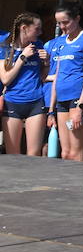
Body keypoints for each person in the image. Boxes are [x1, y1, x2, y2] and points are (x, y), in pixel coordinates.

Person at [49, 4, 83, 161]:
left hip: (78, 98)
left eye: (65, 22)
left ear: (77, 19)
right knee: (65, 153)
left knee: (76, 152)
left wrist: (80, 106)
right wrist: (51, 109)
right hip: (61, 99)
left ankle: (79, 185)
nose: (62, 27)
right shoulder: (60, 42)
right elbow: (57, 75)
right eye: (59, 23)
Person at [1, 13, 51, 156]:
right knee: (13, 154)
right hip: (12, 103)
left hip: (35, 102)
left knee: (33, 155)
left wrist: (46, 63)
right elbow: (5, 79)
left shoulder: (38, 46)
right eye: (37, 29)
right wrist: (22, 57)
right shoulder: (4, 48)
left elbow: (42, 77)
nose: (40, 32)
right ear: (24, 28)